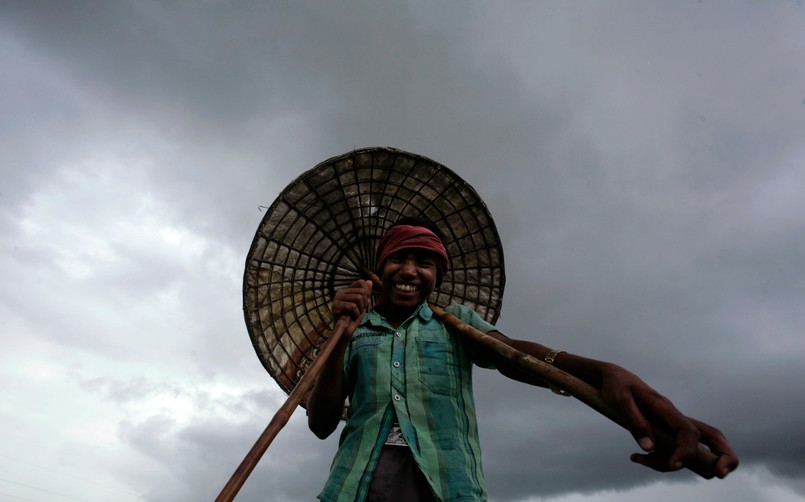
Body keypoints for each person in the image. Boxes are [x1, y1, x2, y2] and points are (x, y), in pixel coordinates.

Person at [307, 217, 738, 501]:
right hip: (356, 486)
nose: (409, 271)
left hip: (447, 485)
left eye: (424, 263)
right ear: (381, 268)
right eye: (399, 258)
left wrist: (603, 371)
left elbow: (513, 356)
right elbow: (322, 423)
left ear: (437, 275)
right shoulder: (355, 329)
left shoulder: (454, 322)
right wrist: (342, 333)